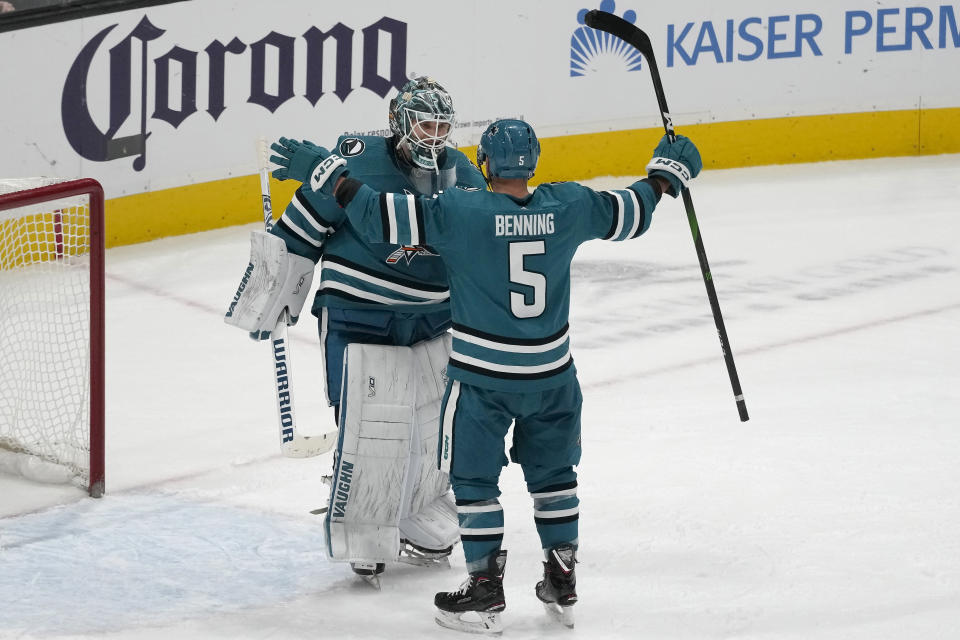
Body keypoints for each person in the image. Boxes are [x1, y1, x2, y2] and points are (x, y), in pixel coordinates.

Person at [268, 119, 702, 632]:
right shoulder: (568, 206)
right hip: (554, 380)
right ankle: (562, 578)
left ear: (486, 165)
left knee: (474, 483)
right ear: (535, 162)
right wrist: (666, 177)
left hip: (483, 382)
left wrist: (325, 174)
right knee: (556, 480)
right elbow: (631, 212)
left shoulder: (462, 211)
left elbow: (379, 215)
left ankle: (484, 592)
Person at [225, 76, 486, 587]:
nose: (434, 138)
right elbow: (302, 228)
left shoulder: (462, 174)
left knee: (435, 422)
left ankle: (418, 506)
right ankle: (365, 525)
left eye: (442, 127)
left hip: (433, 318)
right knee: (375, 424)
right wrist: (270, 298)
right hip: (361, 311)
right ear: (398, 124)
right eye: (424, 125)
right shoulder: (356, 161)